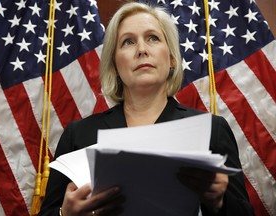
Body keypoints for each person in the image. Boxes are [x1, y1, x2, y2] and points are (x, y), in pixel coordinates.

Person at [39, 2, 254, 216]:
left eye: (153, 38)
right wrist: (64, 214)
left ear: (171, 59)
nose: (142, 50)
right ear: (114, 65)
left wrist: (219, 200)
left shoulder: (212, 130)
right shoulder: (79, 134)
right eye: (128, 42)